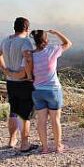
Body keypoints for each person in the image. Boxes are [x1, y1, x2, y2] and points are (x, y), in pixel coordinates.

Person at [7, 29, 72, 153]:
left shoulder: (29, 55)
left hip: (37, 91)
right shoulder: (52, 50)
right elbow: (68, 43)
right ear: (46, 40)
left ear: (35, 42)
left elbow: (26, 71)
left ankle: (45, 148)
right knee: (55, 120)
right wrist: (56, 32)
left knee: (41, 121)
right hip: (53, 90)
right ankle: (58, 146)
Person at [0, 17, 36, 152]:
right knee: (25, 114)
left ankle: (11, 140)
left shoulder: (5, 40)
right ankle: (25, 144)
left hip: (10, 82)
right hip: (23, 82)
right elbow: (27, 58)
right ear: (26, 28)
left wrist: (5, 70)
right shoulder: (25, 41)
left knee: (13, 112)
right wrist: (26, 75)